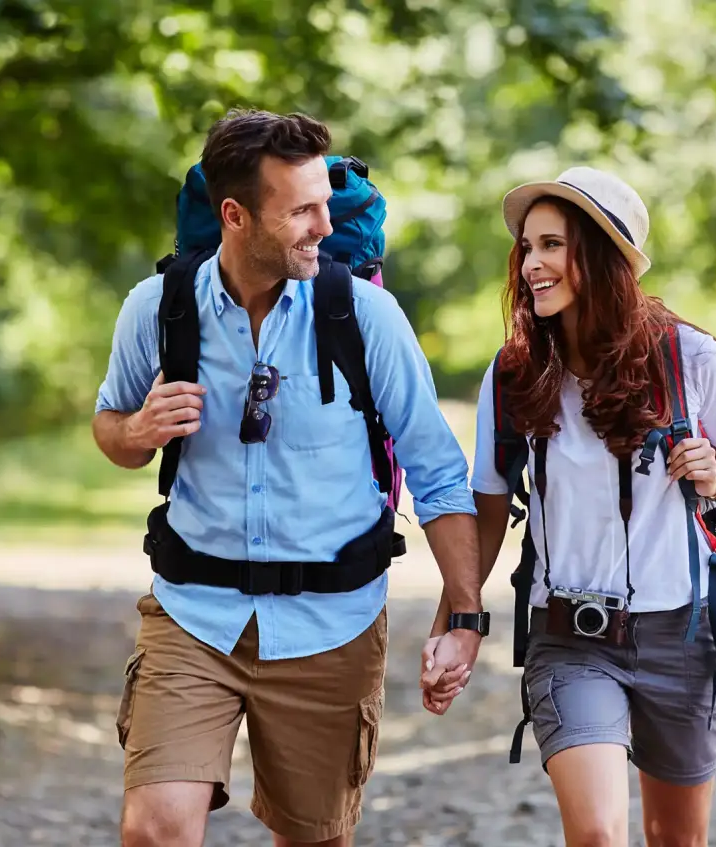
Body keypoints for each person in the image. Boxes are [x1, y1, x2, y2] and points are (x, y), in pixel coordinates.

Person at [92, 108, 487, 847]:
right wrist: (137, 432)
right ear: (234, 215)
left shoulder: (363, 314)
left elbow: (438, 472)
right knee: (153, 828)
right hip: (193, 616)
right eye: (301, 209)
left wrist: (464, 615)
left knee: (314, 839)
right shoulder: (158, 309)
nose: (322, 223)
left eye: (326, 203)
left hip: (330, 625)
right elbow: (110, 427)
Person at [421, 166, 716, 846]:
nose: (531, 264)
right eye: (527, 246)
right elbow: (487, 506)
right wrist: (456, 622)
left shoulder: (689, 357)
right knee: (599, 833)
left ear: (602, 257)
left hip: (683, 635)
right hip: (570, 637)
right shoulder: (515, 371)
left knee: (676, 839)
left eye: (553, 245)